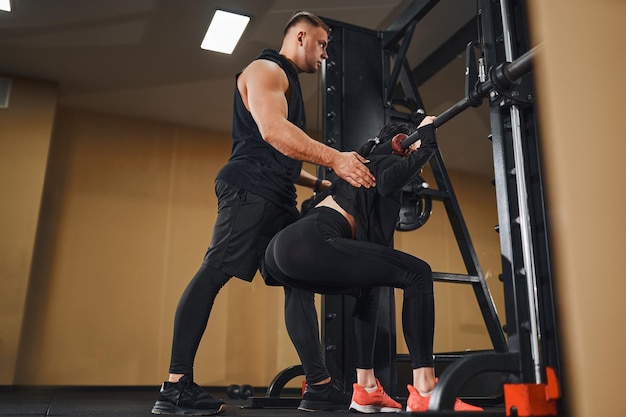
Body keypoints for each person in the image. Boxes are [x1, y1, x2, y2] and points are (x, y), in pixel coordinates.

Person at [151, 11, 376, 416]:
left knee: (300, 275)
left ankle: (320, 385)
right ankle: (175, 386)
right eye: (323, 44)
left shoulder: (283, 80)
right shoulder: (266, 69)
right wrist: (337, 160)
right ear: (302, 36)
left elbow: (280, 152)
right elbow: (274, 132)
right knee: (215, 270)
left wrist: (321, 185)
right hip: (250, 189)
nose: (325, 54)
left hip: (276, 194)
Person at [263, 116, 485, 413]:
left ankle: (366, 389)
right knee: (418, 273)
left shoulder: (363, 162)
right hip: (313, 241)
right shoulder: (386, 160)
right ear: (402, 145)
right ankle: (426, 390)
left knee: (369, 288)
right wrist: (426, 141)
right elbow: (390, 180)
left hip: (283, 250)